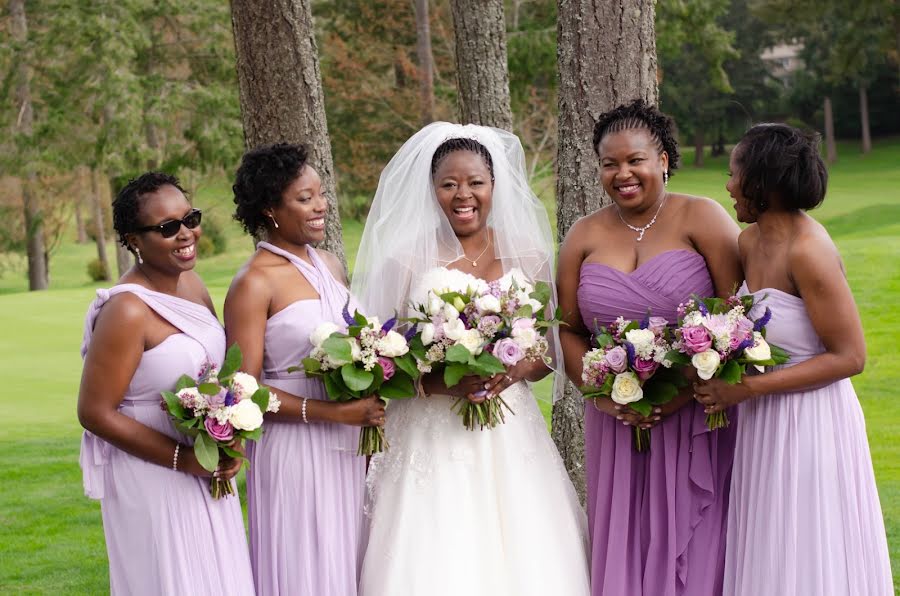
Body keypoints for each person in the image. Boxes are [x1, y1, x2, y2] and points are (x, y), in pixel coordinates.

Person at [353, 122, 590, 596]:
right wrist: (442, 382)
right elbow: (377, 361)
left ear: (494, 186)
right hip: (429, 431)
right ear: (432, 190)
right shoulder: (404, 261)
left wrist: (518, 368)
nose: (464, 194)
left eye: (475, 182)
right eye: (449, 184)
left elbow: (548, 349)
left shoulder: (529, 255)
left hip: (509, 430)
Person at [694, 123, 893, 595]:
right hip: (762, 423)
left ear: (760, 184)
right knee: (768, 543)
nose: (727, 186)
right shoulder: (747, 244)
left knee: (807, 544)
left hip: (811, 423)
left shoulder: (809, 251)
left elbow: (850, 357)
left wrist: (743, 389)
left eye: (733, 174)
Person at [556, 99, 743, 595]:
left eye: (635, 159)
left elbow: (736, 314)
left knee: (702, 539)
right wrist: (603, 397)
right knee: (627, 537)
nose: (623, 173)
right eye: (609, 163)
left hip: (697, 413)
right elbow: (568, 329)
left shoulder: (702, 217)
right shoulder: (582, 235)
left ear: (662, 159)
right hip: (617, 422)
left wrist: (682, 393)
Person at [77, 172, 254, 595]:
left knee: (217, 578)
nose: (185, 234)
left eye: (189, 218)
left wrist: (229, 438)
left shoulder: (191, 285)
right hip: (153, 474)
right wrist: (184, 459)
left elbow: (216, 373)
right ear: (133, 240)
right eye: (167, 228)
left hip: (205, 464)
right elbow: (94, 412)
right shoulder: (127, 311)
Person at [224, 143, 384, 595]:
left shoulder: (329, 264)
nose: (321, 206)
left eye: (320, 193)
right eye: (304, 198)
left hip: (350, 443)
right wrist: (333, 413)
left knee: (349, 558)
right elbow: (243, 390)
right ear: (271, 208)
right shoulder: (253, 282)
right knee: (306, 564)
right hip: (294, 448)